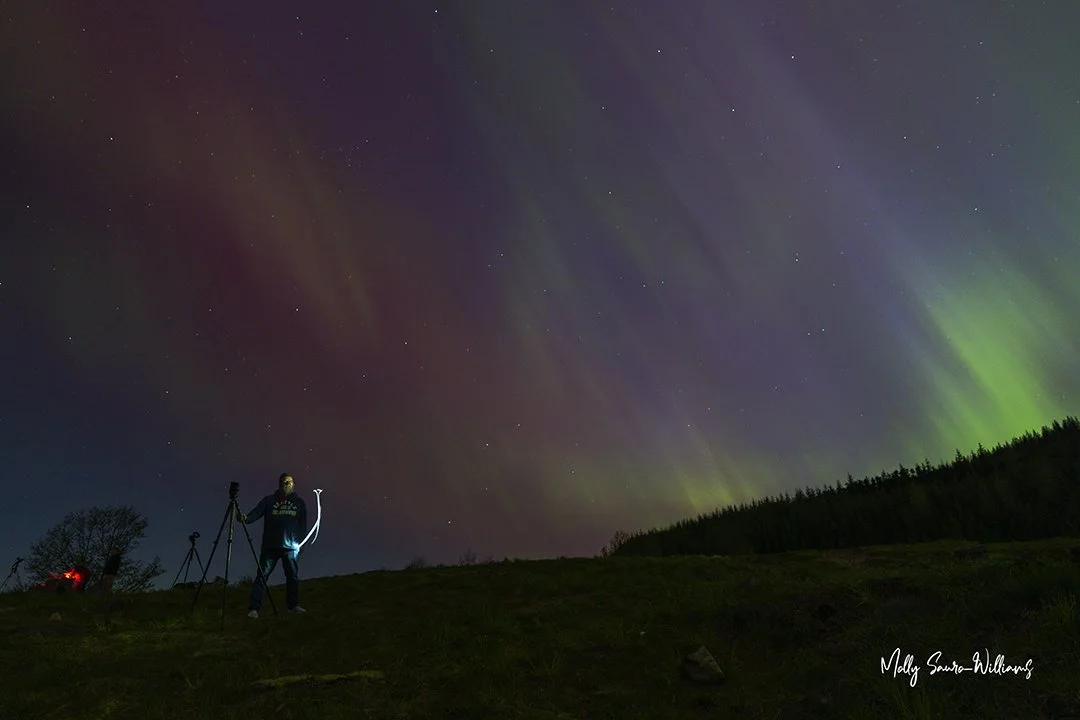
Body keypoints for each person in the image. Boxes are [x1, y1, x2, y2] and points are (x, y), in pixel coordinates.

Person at [237, 472, 308, 617]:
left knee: (292, 576)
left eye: (288, 482)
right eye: (282, 482)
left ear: (293, 484)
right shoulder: (269, 500)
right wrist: (245, 518)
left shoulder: (299, 503)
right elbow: (256, 513)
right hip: (270, 546)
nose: (285, 484)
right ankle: (254, 608)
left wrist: (301, 545)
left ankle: (293, 606)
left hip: (290, 548)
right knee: (262, 576)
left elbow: (303, 526)